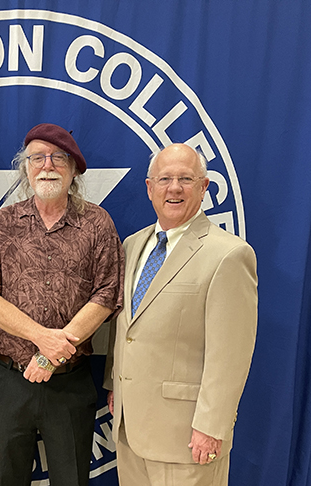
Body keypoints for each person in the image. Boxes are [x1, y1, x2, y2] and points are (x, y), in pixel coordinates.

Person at [0, 123, 124, 486]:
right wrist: (43, 339)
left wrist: (51, 355)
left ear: (74, 169)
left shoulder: (97, 223)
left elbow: (106, 295)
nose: (47, 165)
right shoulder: (3, 224)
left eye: (59, 158)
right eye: (37, 157)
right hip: (9, 383)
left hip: (69, 385)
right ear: (25, 167)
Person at [104, 143, 258, 485]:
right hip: (130, 430)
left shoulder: (229, 255)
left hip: (187, 438)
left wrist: (212, 425)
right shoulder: (132, 245)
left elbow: (231, 354)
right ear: (149, 187)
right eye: (165, 179)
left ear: (204, 187)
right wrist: (114, 383)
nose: (174, 188)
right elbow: (127, 325)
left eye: (186, 179)